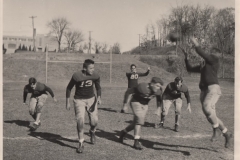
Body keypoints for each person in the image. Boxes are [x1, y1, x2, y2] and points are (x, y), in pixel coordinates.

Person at [180, 37, 232, 148]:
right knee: (210, 115)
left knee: (207, 108)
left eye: (212, 52)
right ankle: (226, 134)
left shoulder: (215, 59)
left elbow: (204, 55)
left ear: (216, 54)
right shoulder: (205, 65)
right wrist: (186, 57)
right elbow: (190, 69)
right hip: (203, 90)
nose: (210, 53)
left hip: (213, 88)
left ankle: (215, 130)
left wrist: (196, 44)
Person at [66, 59, 101, 153]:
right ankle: (81, 142)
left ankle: (92, 132)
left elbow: (98, 87)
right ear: (84, 68)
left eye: (93, 67)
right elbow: (69, 87)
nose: (93, 69)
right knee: (80, 121)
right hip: (79, 100)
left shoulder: (95, 75)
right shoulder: (77, 76)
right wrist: (67, 101)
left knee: (94, 121)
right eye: (91, 68)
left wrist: (99, 97)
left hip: (91, 99)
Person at [119, 77, 163, 150]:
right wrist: (125, 104)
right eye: (157, 86)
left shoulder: (158, 91)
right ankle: (136, 142)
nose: (158, 88)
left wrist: (158, 108)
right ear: (152, 84)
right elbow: (128, 92)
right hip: (135, 102)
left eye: (160, 86)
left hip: (145, 105)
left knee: (136, 123)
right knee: (140, 120)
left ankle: (123, 132)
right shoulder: (142, 87)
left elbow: (159, 99)